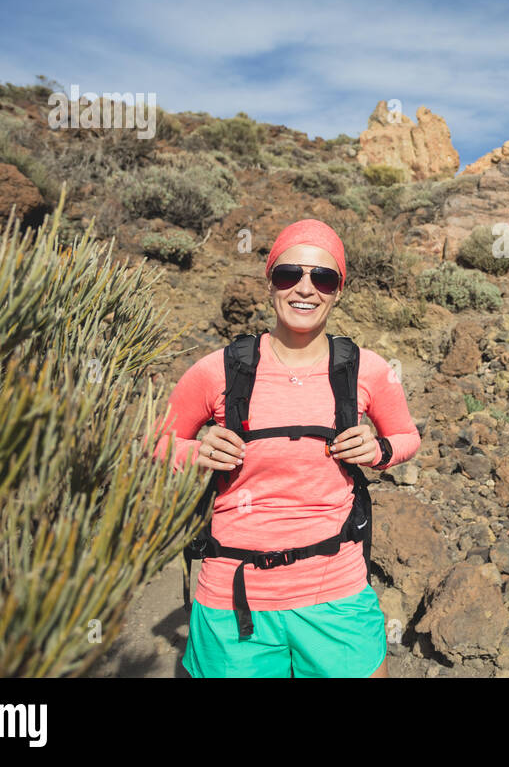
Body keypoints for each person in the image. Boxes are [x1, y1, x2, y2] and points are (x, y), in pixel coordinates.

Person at [153, 218, 419, 677]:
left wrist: (377, 450)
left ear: (338, 291)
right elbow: (154, 440)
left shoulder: (367, 371)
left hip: (336, 588)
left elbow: (408, 437)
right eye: (288, 274)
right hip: (232, 596)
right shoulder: (219, 370)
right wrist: (194, 451)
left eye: (323, 277)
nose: (305, 288)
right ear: (270, 283)